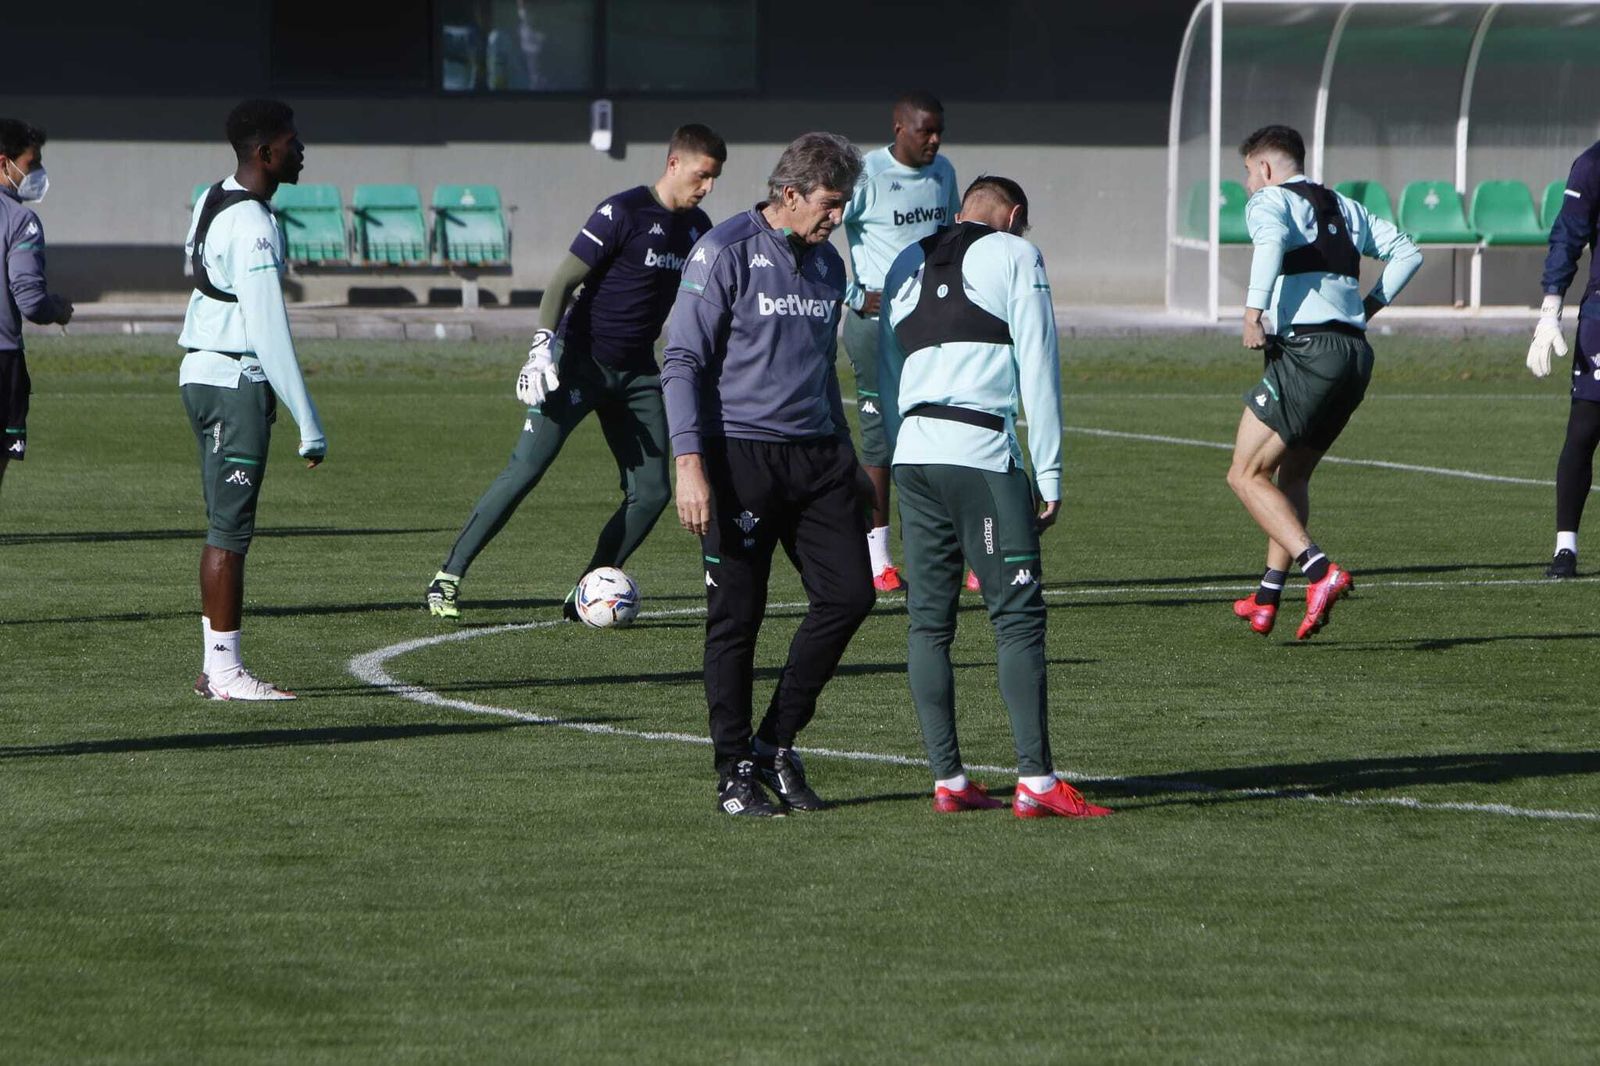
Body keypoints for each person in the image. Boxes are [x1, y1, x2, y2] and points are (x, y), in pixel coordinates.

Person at [878, 176, 1110, 819]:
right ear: (1014, 217)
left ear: (960, 211)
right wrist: (1052, 473)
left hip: (912, 456)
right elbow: (1039, 362)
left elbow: (886, 365)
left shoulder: (906, 260)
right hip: (980, 455)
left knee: (929, 620)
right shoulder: (1015, 254)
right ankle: (1036, 782)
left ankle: (949, 780)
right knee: (1017, 617)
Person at [426, 125, 724, 620]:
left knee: (651, 493)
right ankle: (448, 576)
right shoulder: (622, 211)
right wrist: (542, 348)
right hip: (577, 364)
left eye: (714, 178)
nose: (707, 187)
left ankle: (588, 590)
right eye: (702, 175)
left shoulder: (698, 228)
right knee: (526, 470)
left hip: (637, 375)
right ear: (674, 164)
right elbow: (563, 280)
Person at [662, 132, 876, 817]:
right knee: (738, 618)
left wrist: (847, 462)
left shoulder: (827, 266)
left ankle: (775, 744)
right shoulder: (723, 251)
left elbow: (819, 370)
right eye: (830, 203)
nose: (836, 217)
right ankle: (732, 773)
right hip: (737, 458)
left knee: (849, 597)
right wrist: (689, 466)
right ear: (791, 194)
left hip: (816, 459)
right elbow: (682, 363)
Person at [1226, 125, 1421, 639]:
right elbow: (1408, 252)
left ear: (1266, 168)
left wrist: (1252, 312)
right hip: (1355, 357)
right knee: (1292, 476)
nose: (1247, 184)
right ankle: (1267, 597)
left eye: (1248, 172)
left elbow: (1268, 245)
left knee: (1244, 475)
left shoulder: (1270, 201)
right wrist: (1369, 306)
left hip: (1310, 352)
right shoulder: (1345, 206)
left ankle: (1319, 571)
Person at [179, 99, 327, 700]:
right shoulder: (255, 226)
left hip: (201, 374)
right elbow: (269, 332)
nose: (301, 151)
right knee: (229, 532)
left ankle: (215, 667)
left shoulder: (212, 197)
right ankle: (224, 672)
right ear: (265, 153)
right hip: (233, 383)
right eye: (293, 143)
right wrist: (309, 424)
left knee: (223, 528)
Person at [841, 90, 961, 592]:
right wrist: (852, 292)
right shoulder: (866, 173)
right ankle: (877, 560)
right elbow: (820, 224)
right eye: (924, 131)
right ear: (898, 128)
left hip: (929, 323)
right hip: (875, 329)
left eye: (939, 131)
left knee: (940, 429)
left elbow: (953, 235)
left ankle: (955, 550)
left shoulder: (944, 172)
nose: (934, 140)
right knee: (881, 443)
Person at [1525, 139, 1600, 578]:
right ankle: (1565, 549)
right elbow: (1569, 235)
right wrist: (1550, 311)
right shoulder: (1592, 164)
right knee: (1585, 428)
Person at [0, 117, 74, 502]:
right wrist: (58, 309)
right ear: (4, 163)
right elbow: (30, 300)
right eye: (32, 164)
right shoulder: (20, 220)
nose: (38, 173)